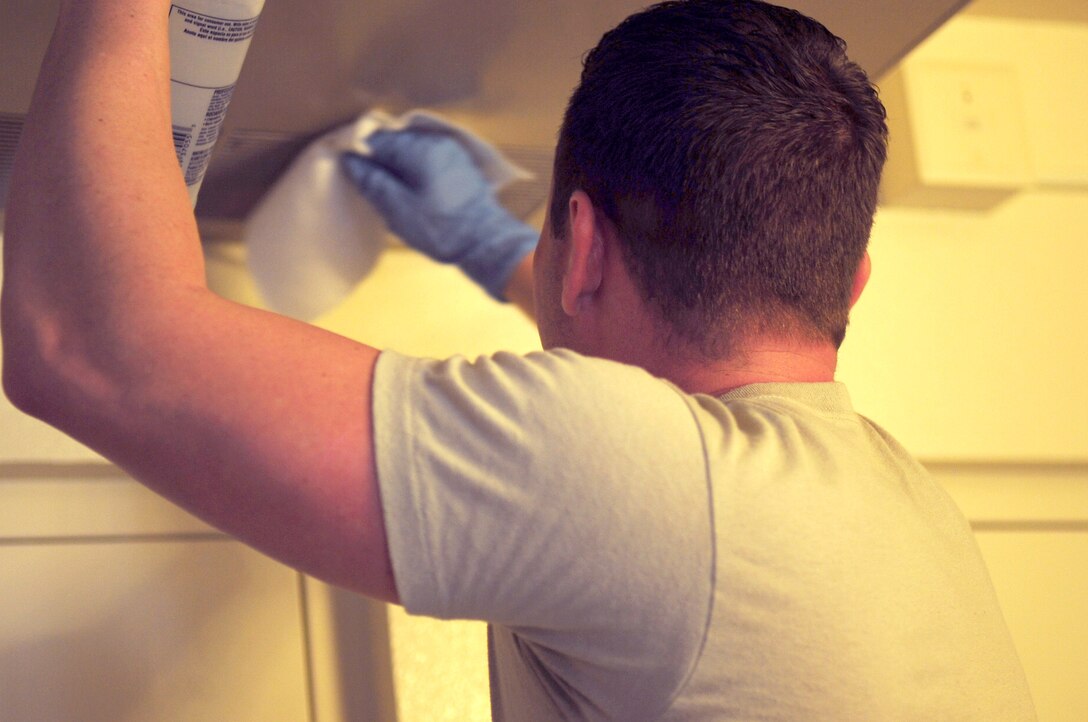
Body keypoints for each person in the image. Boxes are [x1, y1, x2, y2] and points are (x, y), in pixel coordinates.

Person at [1, 0, 1036, 719]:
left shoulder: (655, 490)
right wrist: (504, 250)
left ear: (581, 245)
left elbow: (81, 341)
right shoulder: (901, 506)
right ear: (852, 280)